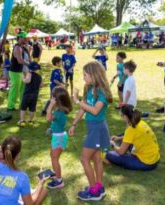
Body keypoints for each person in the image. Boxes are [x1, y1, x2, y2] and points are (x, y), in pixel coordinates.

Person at [69, 61, 113, 201]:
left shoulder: (103, 93)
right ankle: (98, 188)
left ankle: (94, 191)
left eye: (85, 75)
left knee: (84, 158)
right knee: (96, 158)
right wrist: (74, 124)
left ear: (94, 75)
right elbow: (84, 108)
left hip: (98, 129)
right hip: (93, 128)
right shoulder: (89, 88)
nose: (83, 77)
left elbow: (94, 110)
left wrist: (76, 100)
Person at [0, 136, 48, 205]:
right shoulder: (21, 176)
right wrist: (41, 183)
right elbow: (29, 203)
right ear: (18, 155)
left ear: (1, 150)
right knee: (43, 191)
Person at [105, 105, 160, 171]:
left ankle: (129, 156)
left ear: (125, 116)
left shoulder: (131, 129)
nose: (121, 117)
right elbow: (132, 136)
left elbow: (121, 152)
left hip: (146, 163)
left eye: (121, 115)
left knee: (109, 155)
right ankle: (129, 153)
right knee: (123, 136)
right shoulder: (140, 122)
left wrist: (113, 144)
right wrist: (118, 138)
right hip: (155, 159)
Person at [45, 86, 72, 189]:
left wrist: (50, 105)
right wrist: (52, 128)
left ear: (56, 99)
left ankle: (59, 180)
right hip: (60, 136)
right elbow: (55, 122)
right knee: (53, 156)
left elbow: (48, 118)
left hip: (58, 138)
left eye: (52, 97)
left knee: (54, 158)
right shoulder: (62, 110)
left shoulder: (58, 112)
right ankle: (56, 174)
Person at [7, 31, 30, 111]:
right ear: (20, 38)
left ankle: (22, 104)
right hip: (14, 71)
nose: (26, 39)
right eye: (25, 38)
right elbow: (20, 61)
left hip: (20, 71)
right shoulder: (17, 47)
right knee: (15, 89)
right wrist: (29, 64)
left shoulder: (22, 47)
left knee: (22, 89)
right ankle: (10, 106)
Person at [18, 62, 42, 126]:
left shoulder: (29, 74)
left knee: (23, 107)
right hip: (35, 95)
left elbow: (27, 81)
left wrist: (23, 78)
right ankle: (31, 120)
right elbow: (41, 85)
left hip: (27, 94)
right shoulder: (39, 76)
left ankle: (22, 120)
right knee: (32, 108)